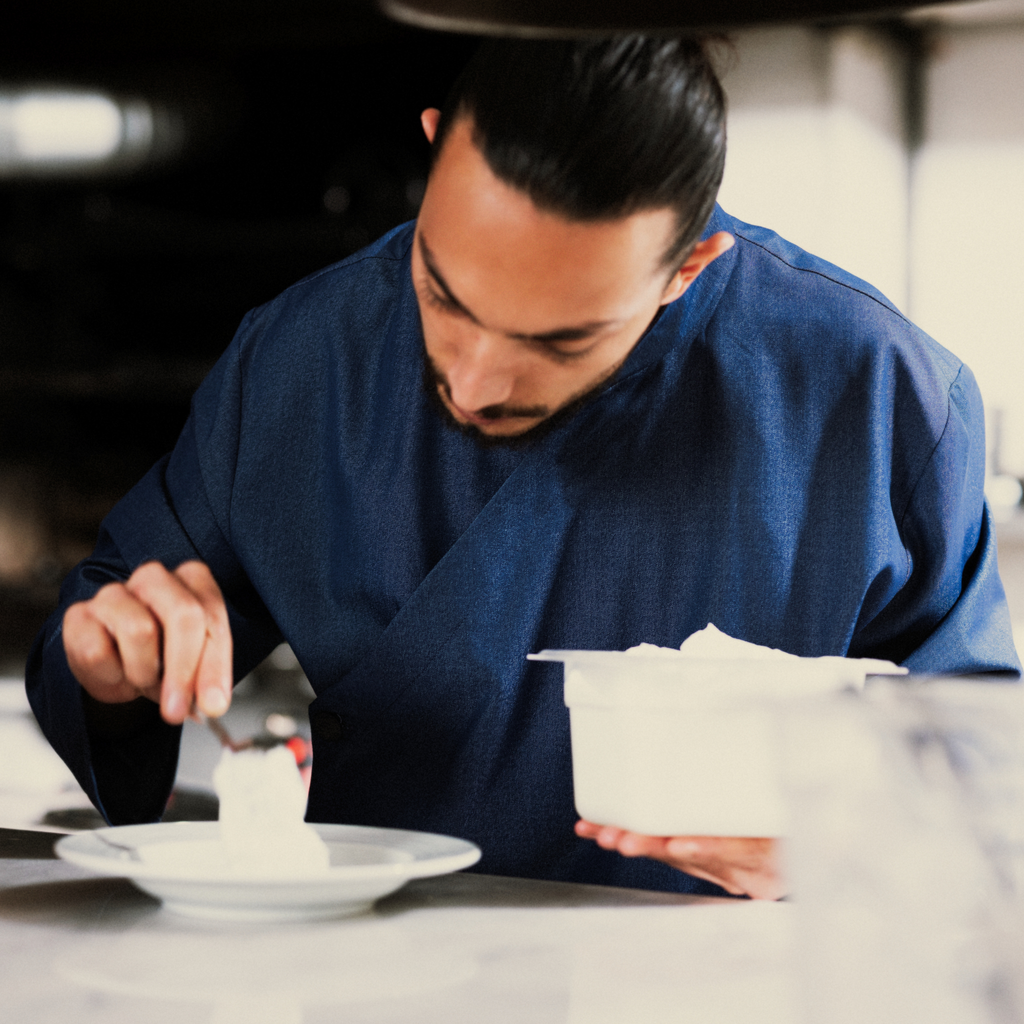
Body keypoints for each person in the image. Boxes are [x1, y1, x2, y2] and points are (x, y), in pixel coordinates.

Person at [26, 36, 1019, 901]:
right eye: (444, 294)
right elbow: (117, 611)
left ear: (690, 268)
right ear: (430, 149)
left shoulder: (873, 391)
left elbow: (979, 754)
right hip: (371, 968)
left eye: (561, 339)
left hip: (726, 976)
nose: (474, 379)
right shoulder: (300, 358)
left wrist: (847, 842)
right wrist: (112, 655)